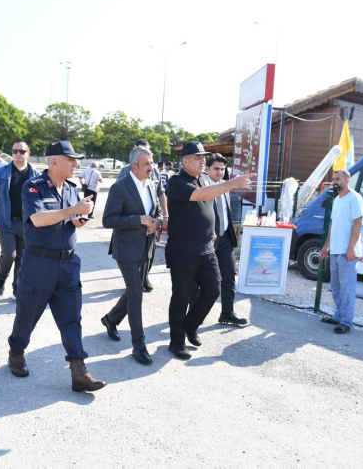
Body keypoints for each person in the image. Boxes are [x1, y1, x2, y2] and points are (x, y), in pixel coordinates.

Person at [6, 140, 106, 392]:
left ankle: (78, 370)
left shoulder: (71, 188)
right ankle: (16, 351)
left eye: (76, 160)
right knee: (28, 314)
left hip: (68, 263)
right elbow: (39, 219)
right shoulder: (34, 186)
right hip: (39, 264)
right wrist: (74, 210)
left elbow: (67, 218)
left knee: (72, 317)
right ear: (53, 162)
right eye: (70, 159)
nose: (75, 164)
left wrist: (76, 219)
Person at [165, 141, 254, 360]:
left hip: (206, 247)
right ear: (185, 161)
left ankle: (190, 325)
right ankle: (176, 341)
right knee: (181, 296)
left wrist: (213, 229)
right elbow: (201, 196)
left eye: (203, 157)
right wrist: (233, 183)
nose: (202, 161)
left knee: (213, 289)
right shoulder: (177, 182)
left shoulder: (203, 179)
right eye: (198, 157)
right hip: (183, 250)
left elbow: (210, 205)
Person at [101, 146, 163, 365]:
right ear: (134, 166)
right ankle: (139, 345)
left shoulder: (152, 185)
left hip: (146, 247)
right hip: (126, 249)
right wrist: (139, 220)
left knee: (133, 290)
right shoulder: (120, 187)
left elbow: (157, 212)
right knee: (136, 294)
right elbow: (108, 220)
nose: (151, 167)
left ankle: (110, 319)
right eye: (146, 164)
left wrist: (157, 223)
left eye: (151, 163)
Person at [0, 140, 41, 299]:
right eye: (15, 151)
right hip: (6, 222)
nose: (18, 154)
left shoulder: (36, 175)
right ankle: (0, 280)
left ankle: (17, 288)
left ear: (28, 153)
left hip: (27, 224)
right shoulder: (2, 172)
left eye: (22, 151)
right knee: (9, 254)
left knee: (23, 258)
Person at [117, 138, 169, 292]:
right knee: (133, 267)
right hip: (131, 226)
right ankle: (134, 284)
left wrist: (164, 217)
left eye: (147, 150)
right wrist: (136, 219)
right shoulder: (125, 171)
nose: (149, 166)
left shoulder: (154, 171)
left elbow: (160, 193)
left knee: (149, 254)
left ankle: (144, 277)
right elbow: (118, 197)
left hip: (150, 225)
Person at [205, 153, 248, 326]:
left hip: (225, 239)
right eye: (216, 169)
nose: (220, 172)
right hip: (207, 240)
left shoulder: (225, 186)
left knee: (229, 277)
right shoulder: (202, 186)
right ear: (207, 168)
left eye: (222, 169)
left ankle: (227, 313)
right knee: (200, 279)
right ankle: (192, 314)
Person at [320, 169, 363, 334]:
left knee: (347, 288)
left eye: (337, 179)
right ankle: (338, 316)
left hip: (347, 252)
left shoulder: (355, 198)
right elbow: (333, 225)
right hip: (335, 250)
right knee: (336, 287)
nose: (334, 182)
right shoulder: (337, 199)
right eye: (333, 179)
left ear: (347, 181)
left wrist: (351, 247)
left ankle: (346, 321)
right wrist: (326, 246)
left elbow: (358, 223)